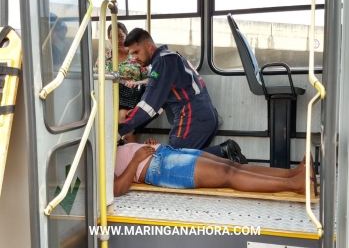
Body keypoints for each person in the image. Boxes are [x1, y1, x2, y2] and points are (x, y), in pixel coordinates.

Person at [117, 28, 248, 164]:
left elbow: (150, 102)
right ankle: (225, 153)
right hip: (204, 116)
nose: (134, 58)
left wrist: (121, 130)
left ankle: (224, 152)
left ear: (148, 46)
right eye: (132, 54)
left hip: (192, 118)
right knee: (188, 160)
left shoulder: (163, 62)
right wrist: (136, 125)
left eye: (136, 52)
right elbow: (159, 104)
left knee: (172, 160)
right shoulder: (169, 57)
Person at [113, 138, 315, 197]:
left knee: (231, 165)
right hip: (159, 167)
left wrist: (141, 145)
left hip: (164, 152)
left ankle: (293, 174)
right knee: (228, 175)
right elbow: (117, 188)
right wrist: (136, 159)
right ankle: (296, 185)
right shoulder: (92, 162)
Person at [94, 22, 151, 143]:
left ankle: (127, 146)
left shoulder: (135, 54)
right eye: (112, 37)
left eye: (120, 36)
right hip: (109, 98)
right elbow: (95, 77)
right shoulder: (104, 58)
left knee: (124, 116)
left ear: (126, 35)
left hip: (132, 96)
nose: (117, 41)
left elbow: (151, 77)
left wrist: (138, 82)